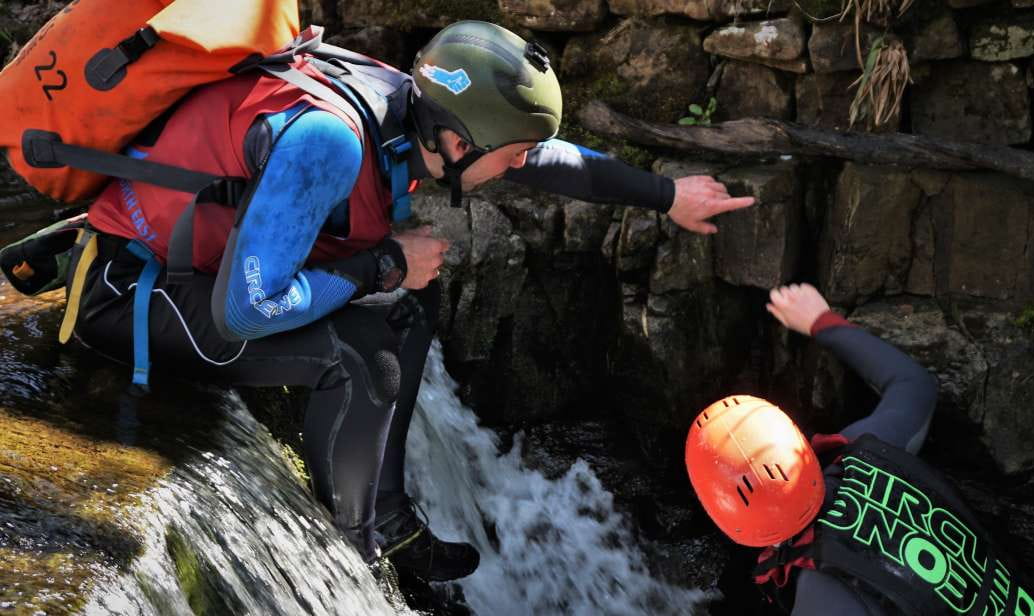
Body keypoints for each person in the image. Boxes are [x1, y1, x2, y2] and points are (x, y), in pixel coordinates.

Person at [68, 20, 754, 581]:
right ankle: (355, 559)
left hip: (194, 275)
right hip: (127, 296)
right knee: (361, 354)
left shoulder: (408, 106)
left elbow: (542, 157)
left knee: (407, 311)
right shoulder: (330, 141)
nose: (518, 168)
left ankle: (387, 520)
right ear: (458, 143)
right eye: (509, 156)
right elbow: (246, 311)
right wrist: (385, 263)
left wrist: (665, 196)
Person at [686, 284, 1034, 615]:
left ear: (726, 519)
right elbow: (914, 386)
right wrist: (821, 322)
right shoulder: (866, 451)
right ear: (798, 443)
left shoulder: (821, 598)